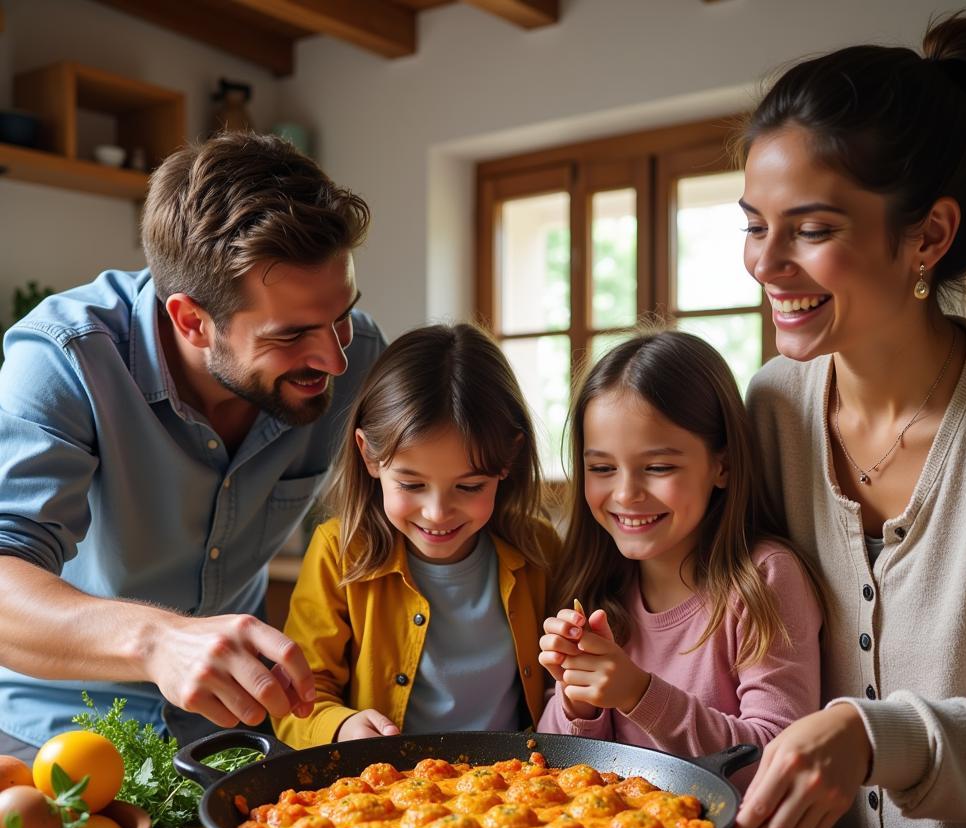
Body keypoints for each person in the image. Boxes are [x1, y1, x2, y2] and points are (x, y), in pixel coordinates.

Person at [732, 14, 966, 828]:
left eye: (812, 230)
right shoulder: (771, 406)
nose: (765, 263)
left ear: (927, 236)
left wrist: (874, 736)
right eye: (756, 224)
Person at [0, 132, 386, 760]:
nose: (334, 358)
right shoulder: (65, 359)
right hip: (55, 734)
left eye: (341, 315)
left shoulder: (360, 354)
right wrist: (157, 641)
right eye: (290, 335)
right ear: (190, 320)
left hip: (239, 730)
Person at [536, 331, 822, 762]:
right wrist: (578, 701)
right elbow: (552, 765)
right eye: (602, 467)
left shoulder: (763, 579)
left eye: (658, 467)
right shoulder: (593, 585)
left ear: (721, 466)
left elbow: (777, 757)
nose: (627, 493)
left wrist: (638, 693)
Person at [273, 323, 560, 748]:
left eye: (469, 487)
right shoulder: (339, 552)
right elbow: (298, 695)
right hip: (389, 795)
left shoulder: (539, 549)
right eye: (410, 485)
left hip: (514, 789)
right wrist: (339, 726)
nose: (437, 513)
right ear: (369, 455)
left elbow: (565, 688)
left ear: (509, 460)